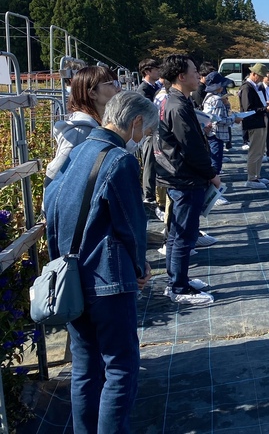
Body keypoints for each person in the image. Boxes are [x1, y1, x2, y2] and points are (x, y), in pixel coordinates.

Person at [43, 91, 158, 434]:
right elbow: (130, 223)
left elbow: (53, 213)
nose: (144, 140)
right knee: (121, 366)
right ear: (135, 123)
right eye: (146, 132)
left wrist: (59, 262)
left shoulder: (74, 153)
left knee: (85, 367)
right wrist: (140, 266)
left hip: (72, 276)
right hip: (108, 278)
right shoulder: (119, 160)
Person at [155, 55, 220, 304]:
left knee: (176, 232)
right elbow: (191, 148)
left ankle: (177, 278)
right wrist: (211, 174)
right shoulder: (178, 106)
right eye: (194, 71)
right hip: (185, 178)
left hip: (178, 176)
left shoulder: (174, 101)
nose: (198, 76)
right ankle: (178, 287)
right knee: (184, 234)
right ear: (181, 76)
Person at [46, 66, 121, 185]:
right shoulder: (80, 131)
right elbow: (53, 176)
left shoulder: (98, 124)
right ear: (92, 93)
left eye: (117, 83)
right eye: (111, 83)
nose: (118, 89)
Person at [239, 63, 269, 189]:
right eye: (260, 76)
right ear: (253, 74)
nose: (262, 79)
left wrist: (265, 106)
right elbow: (248, 108)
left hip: (260, 121)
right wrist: (265, 109)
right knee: (254, 151)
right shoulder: (246, 88)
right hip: (254, 123)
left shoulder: (255, 87)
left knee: (260, 151)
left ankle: (257, 175)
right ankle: (251, 178)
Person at [201, 71, 240, 183]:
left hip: (210, 133)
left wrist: (227, 105)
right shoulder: (217, 100)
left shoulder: (209, 97)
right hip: (217, 134)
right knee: (216, 164)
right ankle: (213, 193)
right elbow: (218, 120)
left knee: (213, 161)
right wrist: (234, 119)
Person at [136, 59, 161, 205]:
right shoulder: (144, 90)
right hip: (149, 130)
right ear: (147, 71)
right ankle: (148, 195)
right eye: (155, 69)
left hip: (154, 129)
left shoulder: (153, 87)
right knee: (150, 162)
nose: (158, 71)